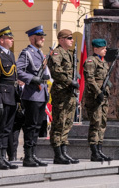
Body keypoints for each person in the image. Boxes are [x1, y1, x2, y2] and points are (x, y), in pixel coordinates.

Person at [17, 25, 50, 167]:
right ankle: (28, 156)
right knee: (31, 126)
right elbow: (18, 71)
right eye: (40, 36)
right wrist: (32, 79)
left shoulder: (40, 54)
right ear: (32, 38)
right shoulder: (27, 53)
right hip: (32, 95)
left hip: (41, 94)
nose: (43, 39)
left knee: (37, 127)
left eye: (43, 36)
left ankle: (33, 154)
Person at [0, 26, 19, 170]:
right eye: (9, 38)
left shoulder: (11, 55)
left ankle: (4, 157)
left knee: (7, 129)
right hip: (2, 95)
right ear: (2, 40)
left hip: (12, 95)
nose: (12, 40)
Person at [47, 29, 80, 165]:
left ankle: (64, 152)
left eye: (71, 38)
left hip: (69, 93)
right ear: (61, 40)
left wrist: (74, 80)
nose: (72, 40)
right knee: (59, 123)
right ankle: (58, 154)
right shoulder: (57, 53)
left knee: (68, 123)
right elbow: (56, 71)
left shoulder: (70, 53)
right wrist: (69, 81)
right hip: (61, 92)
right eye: (69, 38)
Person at [83, 38, 113, 162]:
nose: (105, 50)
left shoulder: (103, 62)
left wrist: (106, 88)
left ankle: (100, 150)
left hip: (103, 96)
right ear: (96, 49)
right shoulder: (91, 61)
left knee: (102, 123)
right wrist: (98, 92)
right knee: (95, 123)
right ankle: (94, 151)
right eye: (103, 48)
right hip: (95, 97)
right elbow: (90, 79)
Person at [8, 80, 26, 162]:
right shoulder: (14, 87)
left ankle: (27, 155)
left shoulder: (28, 88)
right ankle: (13, 155)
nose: (20, 81)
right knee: (14, 137)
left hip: (26, 116)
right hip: (15, 116)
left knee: (27, 137)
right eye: (19, 79)